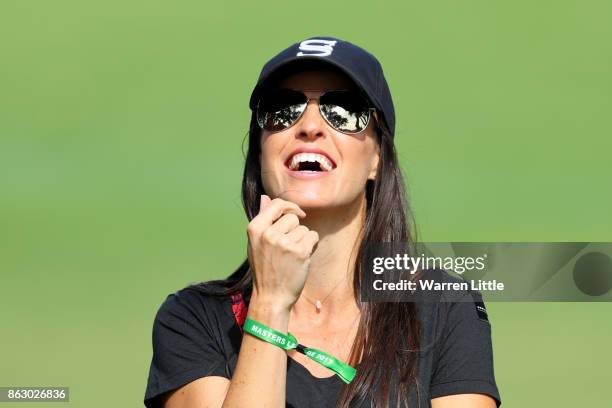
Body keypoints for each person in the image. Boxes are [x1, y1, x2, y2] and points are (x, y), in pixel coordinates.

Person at [144, 36, 501, 408]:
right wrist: (270, 304)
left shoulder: (444, 307)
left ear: (378, 157)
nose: (309, 126)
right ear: (259, 152)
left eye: (343, 110)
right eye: (283, 109)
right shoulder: (193, 320)